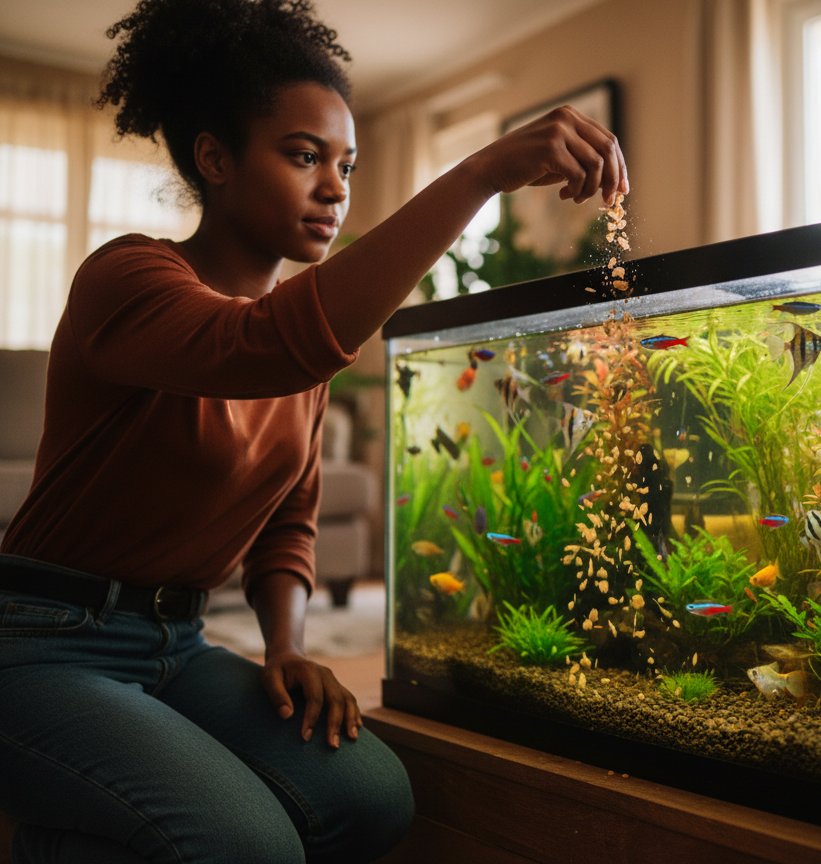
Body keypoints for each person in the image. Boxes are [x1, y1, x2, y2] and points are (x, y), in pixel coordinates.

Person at [0, 0, 628, 860]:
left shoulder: (304, 359)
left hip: (178, 643)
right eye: (304, 157)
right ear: (214, 158)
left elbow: (289, 519)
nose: (335, 187)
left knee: (369, 797)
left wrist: (286, 645)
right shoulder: (130, 278)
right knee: (250, 846)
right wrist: (479, 172)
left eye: (347, 163)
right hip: (40, 643)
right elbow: (261, 346)